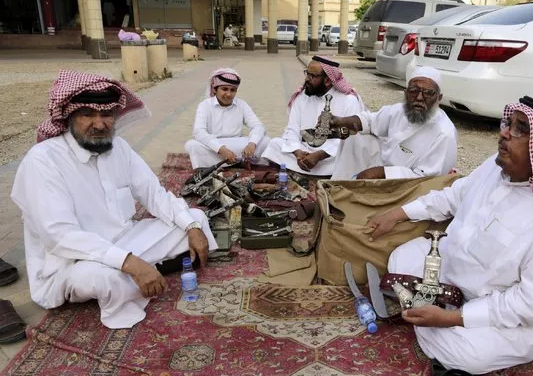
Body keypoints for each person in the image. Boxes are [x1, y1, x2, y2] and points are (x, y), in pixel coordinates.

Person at [367, 96, 533, 375]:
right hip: (456, 276)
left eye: (520, 129)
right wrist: (398, 213)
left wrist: (453, 318)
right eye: (508, 123)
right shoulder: (497, 165)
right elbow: (454, 196)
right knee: (401, 257)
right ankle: (431, 312)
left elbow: (530, 304)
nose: (504, 133)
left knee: (465, 355)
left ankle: (433, 317)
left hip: (509, 313)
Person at [11, 70, 218, 329]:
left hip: (125, 242)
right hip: (74, 262)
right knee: (107, 278)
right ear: (69, 116)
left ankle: (142, 273)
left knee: (195, 218)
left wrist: (192, 227)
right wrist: (129, 263)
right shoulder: (43, 160)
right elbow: (59, 236)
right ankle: (143, 272)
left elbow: (154, 195)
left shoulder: (119, 148)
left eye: (106, 115)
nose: (99, 124)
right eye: (88, 115)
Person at [330, 66, 457, 180]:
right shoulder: (399, 110)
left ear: (439, 98)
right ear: (406, 93)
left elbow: (427, 179)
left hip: (410, 187)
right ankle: (340, 186)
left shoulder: (444, 133)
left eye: (428, 93)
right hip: (386, 165)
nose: (419, 97)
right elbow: (370, 121)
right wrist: (340, 121)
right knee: (354, 136)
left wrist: (383, 173)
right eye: (414, 91)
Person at [262, 55, 365, 175]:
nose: (306, 79)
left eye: (313, 76)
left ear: (327, 80)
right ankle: (306, 166)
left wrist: (319, 156)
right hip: (305, 150)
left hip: (331, 155)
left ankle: (304, 169)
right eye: (307, 73)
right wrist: (297, 152)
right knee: (274, 144)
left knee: (350, 153)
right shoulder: (301, 98)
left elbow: (350, 136)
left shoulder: (348, 100)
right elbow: (292, 129)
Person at [185, 68, 269, 169]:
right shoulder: (205, 105)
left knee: (266, 141)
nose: (228, 94)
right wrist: (221, 149)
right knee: (192, 145)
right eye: (224, 89)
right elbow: (199, 132)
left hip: (237, 144)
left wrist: (252, 144)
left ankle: (235, 161)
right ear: (215, 89)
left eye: (232, 90)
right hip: (215, 146)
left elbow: (257, 126)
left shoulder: (241, 104)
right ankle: (233, 163)